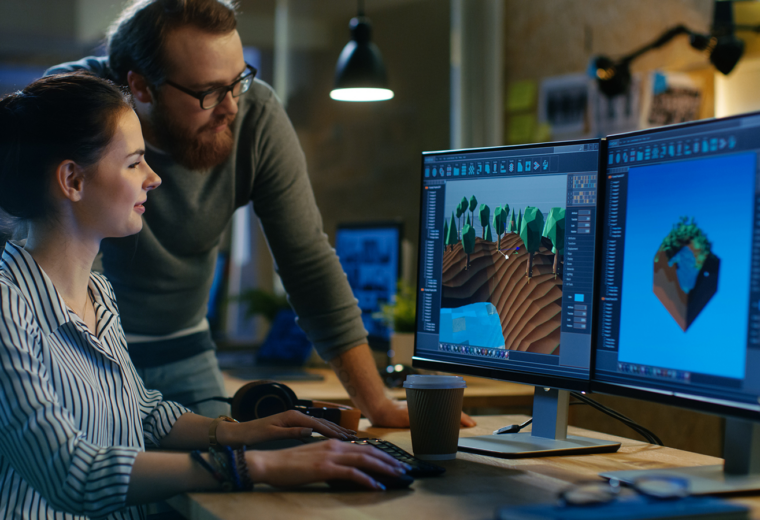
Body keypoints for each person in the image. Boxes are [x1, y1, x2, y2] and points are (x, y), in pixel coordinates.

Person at [0, 72, 411, 519]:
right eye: (134, 162)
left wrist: (242, 431)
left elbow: (140, 411)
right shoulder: (7, 308)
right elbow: (71, 474)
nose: (153, 178)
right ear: (73, 180)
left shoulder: (98, 292)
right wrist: (261, 465)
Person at [47, 0, 475, 427]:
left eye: (238, 82)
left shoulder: (254, 116)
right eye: (209, 92)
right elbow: (49, 262)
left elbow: (307, 262)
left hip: (184, 348)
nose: (231, 107)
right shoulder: (70, 106)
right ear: (141, 88)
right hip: (77, 347)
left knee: (224, 480)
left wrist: (377, 404)